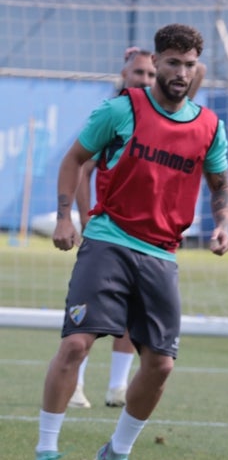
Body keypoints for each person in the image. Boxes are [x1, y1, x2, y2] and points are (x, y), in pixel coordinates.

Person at [34, 23, 228, 460]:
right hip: (107, 241)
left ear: (197, 69)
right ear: (156, 64)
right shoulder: (122, 110)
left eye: (189, 65)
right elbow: (73, 159)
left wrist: (222, 223)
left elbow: (221, 185)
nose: (180, 72)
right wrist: (66, 217)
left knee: (161, 364)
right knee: (77, 344)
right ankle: (46, 450)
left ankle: (117, 452)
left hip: (162, 254)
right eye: (172, 63)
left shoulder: (210, 126)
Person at [69, 48, 157, 409]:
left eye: (152, 74)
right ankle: (75, 384)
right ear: (124, 75)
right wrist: (83, 218)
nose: (146, 80)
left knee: (130, 315)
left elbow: (195, 70)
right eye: (139, 73)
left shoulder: (164, 117)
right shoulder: (113, 114)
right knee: (89, 314)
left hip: (147, 237)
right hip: (107, 233)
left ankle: (117, 386)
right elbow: (81, 167)